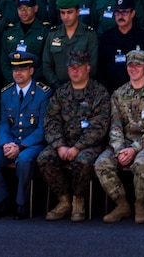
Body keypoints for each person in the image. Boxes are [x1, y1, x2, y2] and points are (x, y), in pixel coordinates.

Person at [38, 50, 112, 222]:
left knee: (83, 161)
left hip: (89, 145)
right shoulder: (61, 93)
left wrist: (78, 147)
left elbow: (99, 126)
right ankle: (64, 199)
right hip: (64, 143)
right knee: (44, 158)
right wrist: (60, 145)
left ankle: (79, 200)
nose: (75, 71)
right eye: (71, 67)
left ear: (88, 68)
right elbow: (51, 121)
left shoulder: (99, 92)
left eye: (79, 67)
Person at [96, 50, 144, 224]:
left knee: (141, 163)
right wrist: (120, 149)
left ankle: (140, 205)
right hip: (124, 143)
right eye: (130, 65)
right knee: (101, 163)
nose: (134, 68)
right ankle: (122, 204)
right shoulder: (118, 93)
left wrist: (134, 149)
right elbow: (115, 125)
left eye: (138, 64)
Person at [0, 51, 52, 219]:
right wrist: (6, 143)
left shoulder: (43, 93)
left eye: (23, 69)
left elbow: (42, 128)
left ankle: (21, 203)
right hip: (10, 141)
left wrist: (20, 146)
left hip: (32, 143)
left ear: (31, 71)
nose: (18, 73)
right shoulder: (6, 92)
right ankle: (2, 199)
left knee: (24, 160)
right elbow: (4, 123)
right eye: (15, 69)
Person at [97, 0, 144, 91]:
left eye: (124, 12)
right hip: (114, 92)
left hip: (141, 91)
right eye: (117, 12)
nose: (120, 16)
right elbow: (101, 71)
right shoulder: (107, 39)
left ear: (133, 13)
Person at [42, 0, 99, 88]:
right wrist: (57, 86)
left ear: (78, 12)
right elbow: (47, 64)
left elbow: (92, 66)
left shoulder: (89, 35)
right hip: (57, 89)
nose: (65, 17)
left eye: (69, 12)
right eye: (62, 13)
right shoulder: (53, 35)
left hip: (83, 89)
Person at [0, 0, 50, 85]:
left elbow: (46, 61)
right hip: (13, 83)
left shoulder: (45, 32)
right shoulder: (9, 32)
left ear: (35, 8)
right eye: (20, 8)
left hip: (36, 83)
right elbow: (4, 61)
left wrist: (29, 82)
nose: (23, 11)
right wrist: (13, 79)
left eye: (27, 7)